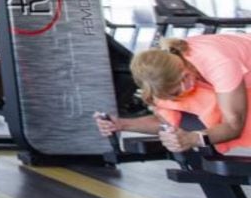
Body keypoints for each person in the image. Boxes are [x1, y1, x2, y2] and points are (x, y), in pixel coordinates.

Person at [94, 35, 251, 154]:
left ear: (184, 76)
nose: (176, 99)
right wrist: (122, 124)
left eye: (176, 93)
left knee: (234, 116)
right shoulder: (164, 70)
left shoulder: (219, 64)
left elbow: (233, 125)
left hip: (234, 63)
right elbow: (167, 121)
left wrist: (192, 139)